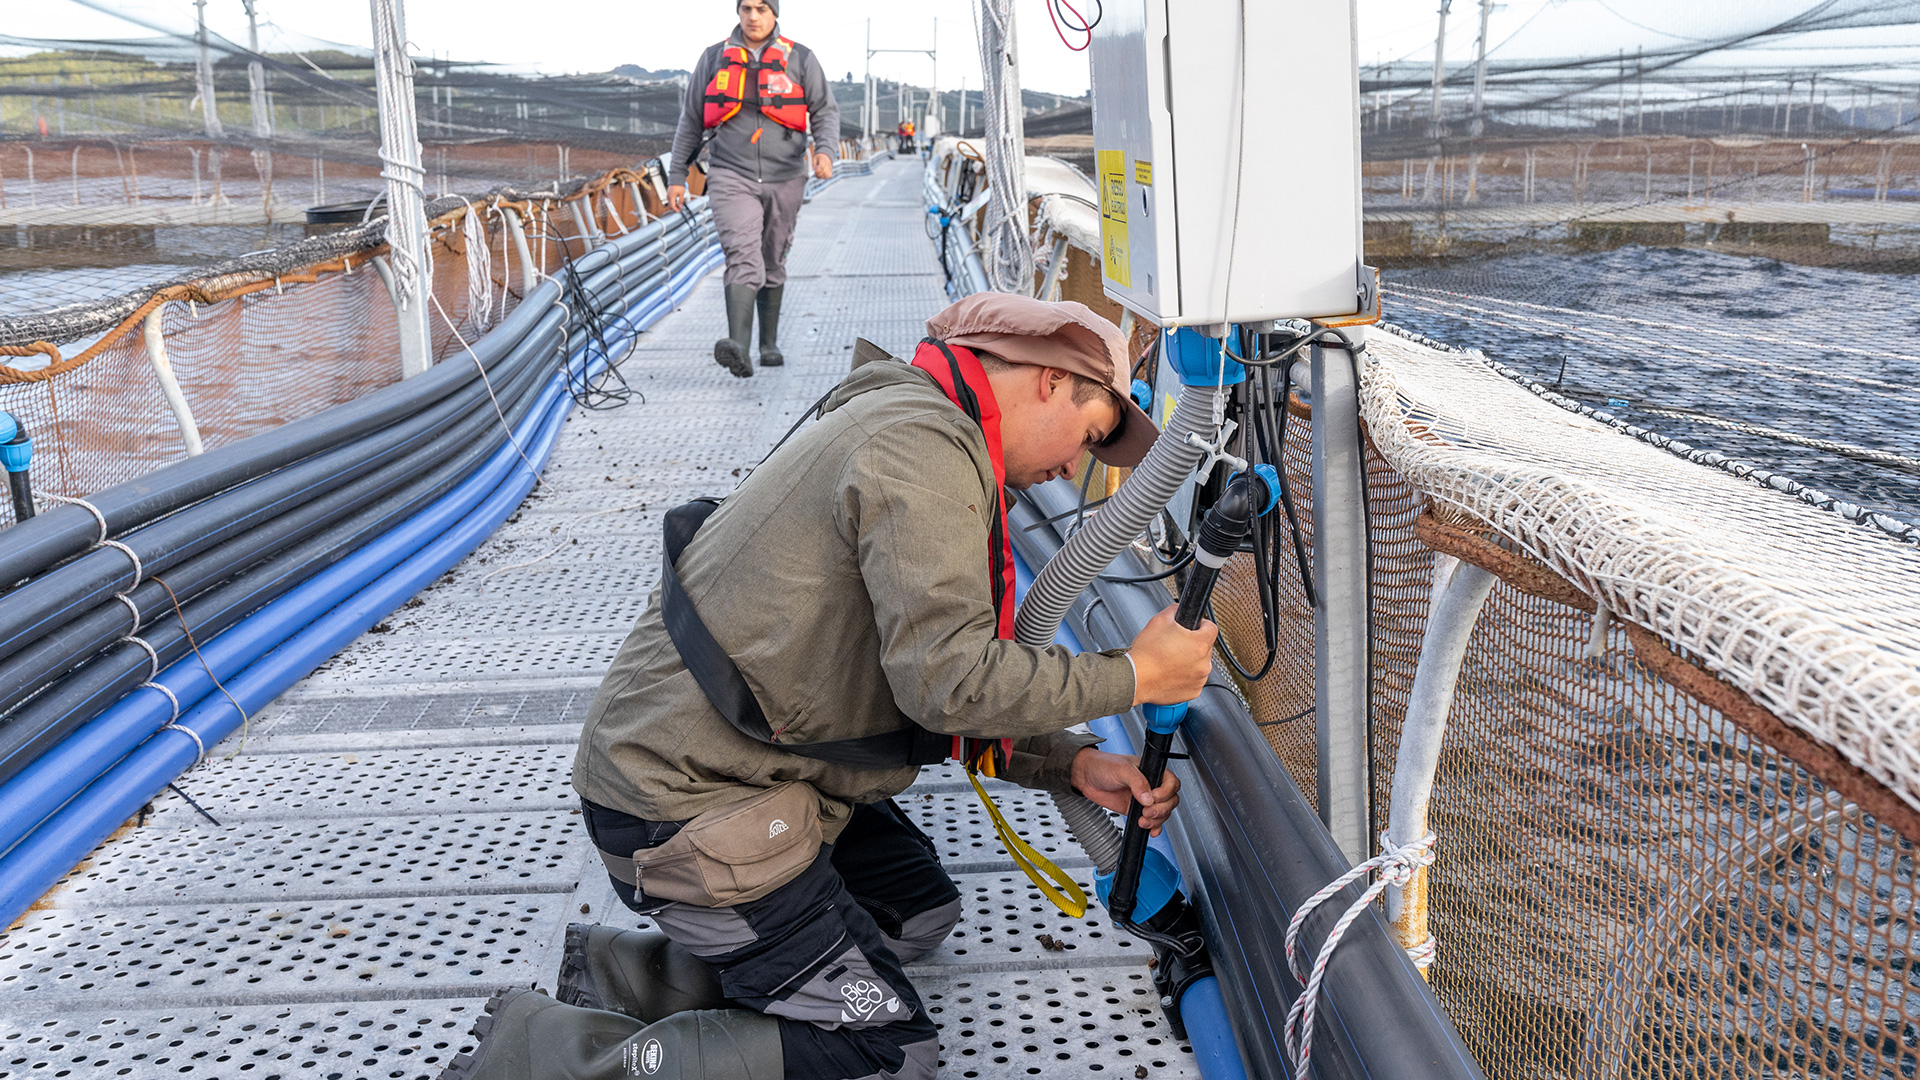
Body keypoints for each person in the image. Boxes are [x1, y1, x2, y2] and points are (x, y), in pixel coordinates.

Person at [440, 294, 1219, 1080]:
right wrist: (1135, 675)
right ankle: (539, 1055)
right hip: (682, 804)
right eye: (1090, 436)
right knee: (884, 1053)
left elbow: (913, 678)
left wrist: (1068, 762)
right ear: (1051, 380)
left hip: (732, 765)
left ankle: (621, 974)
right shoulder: (923, 450)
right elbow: (951, 685)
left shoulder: (908, 415)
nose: (1073, 468)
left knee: (915, 909)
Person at [666, 0, 839, 378]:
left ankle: (768, 343)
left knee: (773, 257)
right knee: (742, 255)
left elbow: (824, 111)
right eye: (746, 8)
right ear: (738, 12)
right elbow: (691, 119)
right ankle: (738, 347)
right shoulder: (713, 58)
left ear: (775, 13)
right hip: (731, 173)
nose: (753, 16)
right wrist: (677, 175)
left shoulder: (801, 58)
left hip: (787, 175)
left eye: (762, 8)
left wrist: (825, 151)